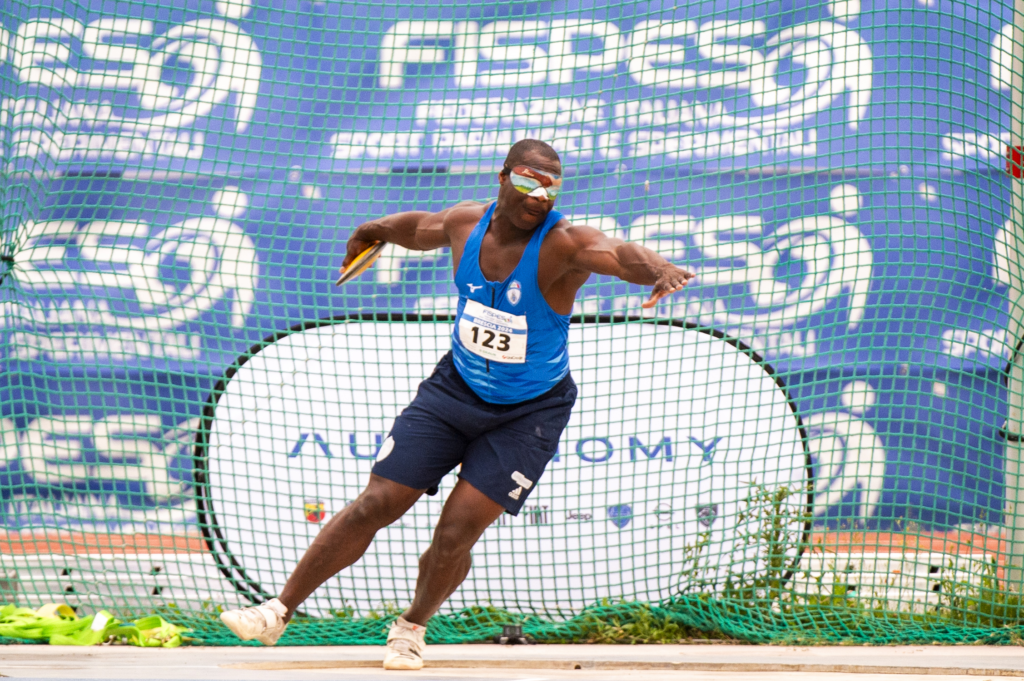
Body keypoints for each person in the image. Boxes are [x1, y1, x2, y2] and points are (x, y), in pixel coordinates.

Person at [219, 139, 695, 668]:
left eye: (551, 185)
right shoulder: (466, 224)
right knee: (376, 503)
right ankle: (277, 613)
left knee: (456, 529)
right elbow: (416, 228)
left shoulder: (563, 243)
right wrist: (371, 230)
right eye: (528, 181)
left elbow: (618, 253)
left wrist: (659, 268)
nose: (540, 195)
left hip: (529, 410)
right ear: (502, 177)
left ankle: (411, 629)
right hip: (454, 390)